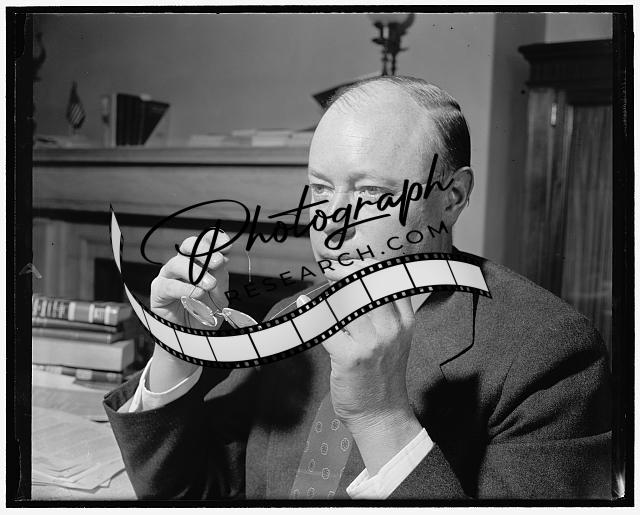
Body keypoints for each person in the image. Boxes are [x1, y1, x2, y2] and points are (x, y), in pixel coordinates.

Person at [104, 76, 612, 500]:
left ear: (453, 196)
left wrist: (381, 416)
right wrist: (176, 351)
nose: (331, 222)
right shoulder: (290, 317)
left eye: (370, 194)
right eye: (321, 189)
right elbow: (189, 495)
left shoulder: (549, 352)